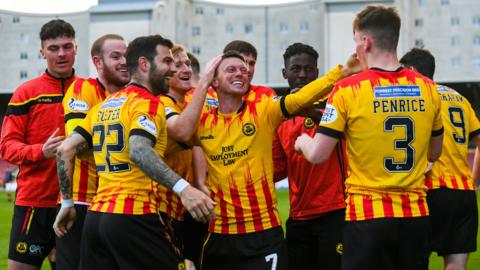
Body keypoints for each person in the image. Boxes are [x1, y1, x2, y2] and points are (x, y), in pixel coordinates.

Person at [294, 5, 444, 270]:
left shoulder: (347, 90)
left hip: (368, 217)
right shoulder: (428, 88)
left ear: (366, 41)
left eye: (355, 41)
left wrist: (301, 141)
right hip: (416, 216)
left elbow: (318, 154)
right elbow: (434, 153)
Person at [54, 35, 215, 270]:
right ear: (144, 64)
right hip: (134, 216)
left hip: (96, 217)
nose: (172, 69)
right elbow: (139, 151)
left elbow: (65, 148)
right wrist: (185, 189)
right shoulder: (148, 103)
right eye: (167, 62)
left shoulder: (105, 105)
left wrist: (67, 204)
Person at [195, 50, 360, 270]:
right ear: (213, 80)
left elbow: (300, 99)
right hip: (228, 230)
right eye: (231, 69)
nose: (240, 73)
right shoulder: (202, 121)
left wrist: (343, 72)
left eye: (244, 69)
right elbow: (179, 139)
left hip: (279, 228)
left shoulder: (266, 108)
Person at [0, 19, 78, 270]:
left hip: (78, 202)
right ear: (42, 52)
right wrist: (39, 151)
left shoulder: (89, 90)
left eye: (67, 46)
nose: (62, 53)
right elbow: (6, 147)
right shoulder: (26, 92)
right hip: (35, 202)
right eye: (54, 48)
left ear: (76, 48)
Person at [54, 33, 129, 270]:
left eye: (126, 55)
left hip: (119, 203)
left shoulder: (133, 97)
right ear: (97, 62)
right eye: (115, 56)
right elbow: (77, 146)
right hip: (81, 200)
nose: (124, 61)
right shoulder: (82, 88)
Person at [400, 47, 480, 270]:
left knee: (414, 261)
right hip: (463, 194)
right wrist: (474, 182)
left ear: (412, 70)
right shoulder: (459, 98)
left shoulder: (415, 96)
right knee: (455, 265)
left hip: (426, 191)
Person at [273, 42, 346, 270]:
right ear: (285, 73)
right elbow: (276, 169)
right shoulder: (278, 117)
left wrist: (310, 113)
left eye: (308, 69)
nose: (302, 75)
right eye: (295, 69)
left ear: (317, 72)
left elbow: (346, 134)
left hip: (335, 211)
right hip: (298, 216)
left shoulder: (335, 102)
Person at [157, 44, 219, 269]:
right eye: (178, 64)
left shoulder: (185, 104)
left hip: (187, 204)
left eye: (188, 64)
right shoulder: (160, 103)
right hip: (162, 207)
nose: (186, 69)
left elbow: (198, 144)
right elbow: (185, 134)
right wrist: (204, 83)